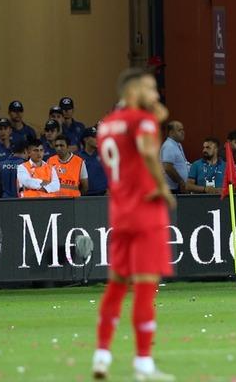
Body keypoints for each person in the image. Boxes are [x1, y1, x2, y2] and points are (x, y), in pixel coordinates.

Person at [92, 68, 175, 381]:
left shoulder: (106, 125)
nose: (155, 95)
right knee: (145, 287)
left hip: (120, 212)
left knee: (116, 285)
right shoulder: (141, 121)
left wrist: (155, 112)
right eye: (150, 89)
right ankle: (143, 363)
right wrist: (162, 187)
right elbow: (149, 152)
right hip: (146, 210)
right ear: (133, 91)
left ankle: (102, 355)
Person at [160, 120, 189, 194]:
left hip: (177, 188)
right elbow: (168, 167)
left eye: (183, 129)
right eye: (179, 130)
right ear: (171, 132)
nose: (183, 132)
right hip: (171, 189)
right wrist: (181, 182)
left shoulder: (177, 144)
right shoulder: (169, 146)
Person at [80, 126, 107, 196]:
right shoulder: (78, 157)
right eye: (94, 137)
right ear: (85, 139)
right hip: (84, 196)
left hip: (103, 195)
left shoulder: (104, 154)